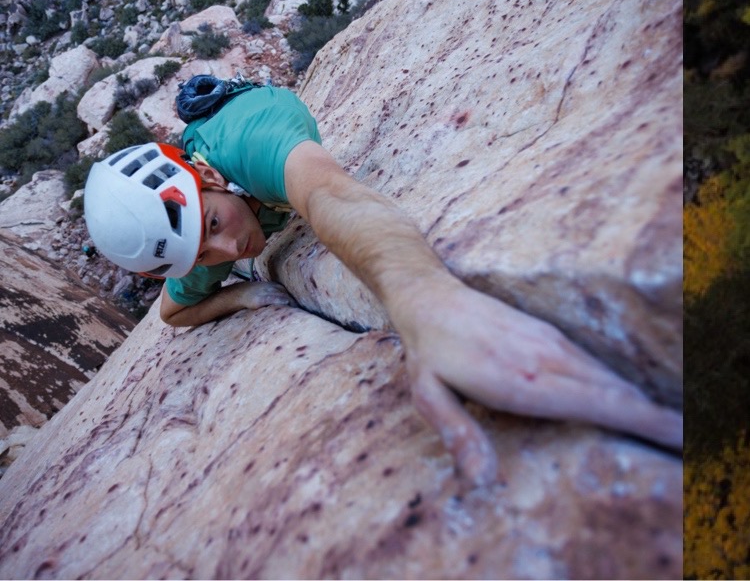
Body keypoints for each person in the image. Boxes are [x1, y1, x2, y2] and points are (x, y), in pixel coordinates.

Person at [81, 84, 681, 488]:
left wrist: (428, 303)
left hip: (246, 118)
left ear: (206, 176)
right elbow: (171, 314)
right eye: (198, 255)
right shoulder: (199, 254)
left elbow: (327, 194)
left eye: (213, 225)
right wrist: (239, 294)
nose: (227, 251)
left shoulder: (252, 138)